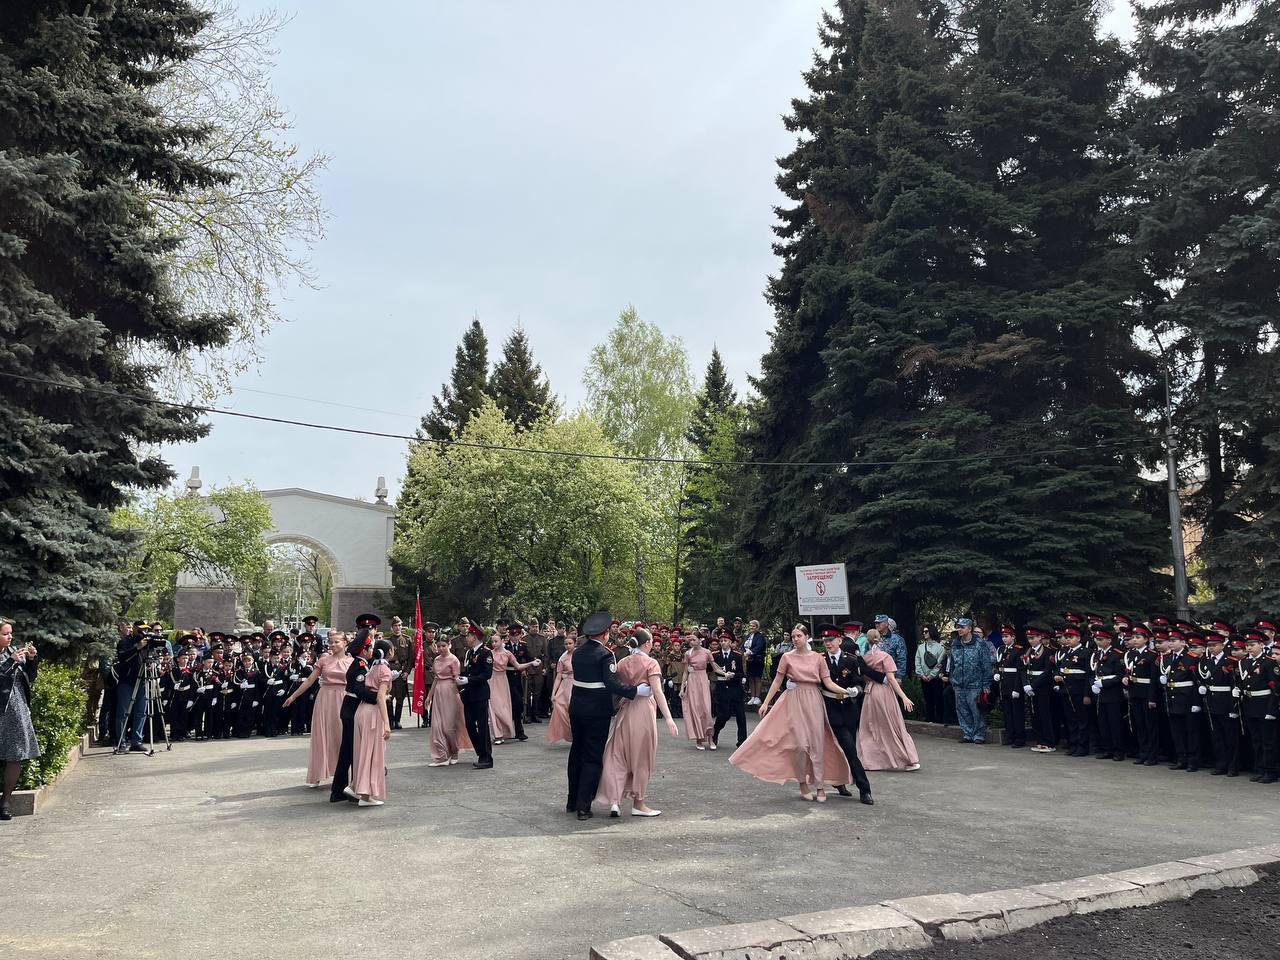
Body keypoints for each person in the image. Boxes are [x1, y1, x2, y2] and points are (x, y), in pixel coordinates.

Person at [730, 623, 854, 802]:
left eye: (799, 636)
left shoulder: (818, 659)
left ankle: (820, 786)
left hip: (813, 700)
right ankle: (802, 783)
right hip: (793, 700)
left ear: (806, 637)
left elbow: (827, 682)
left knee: (817, 744)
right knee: (799, 745)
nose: (796, 639)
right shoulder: (786, 657)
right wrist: (765, 702)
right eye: (793, 636)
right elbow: (776, 681)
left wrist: (844, 691)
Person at [566, 610, 649, 821]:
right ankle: (584, 806)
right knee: (592, 757)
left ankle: (572, 800)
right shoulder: (605, 654)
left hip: (576, 707)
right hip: (596, 711)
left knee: (576, 752)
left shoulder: (577, 652)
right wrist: (634, 691)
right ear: (604, 634)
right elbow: (611, 682)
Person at [596, 629, 679, 818]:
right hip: (643, 712)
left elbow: (615, 686)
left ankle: (615, 802)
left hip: (625, 711)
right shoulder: (651, 663)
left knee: (618, 755)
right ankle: (638, 803)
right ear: (648, 643)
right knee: (641, 757)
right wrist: (668, 718)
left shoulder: (623, 662)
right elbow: (658, 692)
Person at [819, 625, 878, 804]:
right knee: (849, 748)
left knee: (847, 747)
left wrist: (856, 690)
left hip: (850, 709)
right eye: (825, 641)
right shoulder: (820, 660)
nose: (827, 644)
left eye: (831, 640)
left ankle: (840, 783)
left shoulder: (851, 660)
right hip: (831, 708)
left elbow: (860, 682)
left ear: (839, 640)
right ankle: (864, 789)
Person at [283, 632, 350, 786]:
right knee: (322, 735)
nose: (333, 645)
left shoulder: (352, 661)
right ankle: (317, 774)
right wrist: (293, 696)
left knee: (343, 736)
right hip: (325, 698)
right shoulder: (323, 660)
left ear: (345, 642)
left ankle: (345, 775)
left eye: (336, 642)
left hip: (344, 699)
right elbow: (309, 680)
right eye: (330, 642)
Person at [330, 617, 383, 803]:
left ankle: (342, 789)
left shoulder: (362, 662)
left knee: (349, 751)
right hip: (352, 709)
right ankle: (350, 789)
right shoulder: (360, 665)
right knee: (352, 751)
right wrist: (378, 698)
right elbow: (360, 691)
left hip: (350, 708)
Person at [858, 627, 919, 770]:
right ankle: (906, 758)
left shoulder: (866, 657)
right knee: (893, 726)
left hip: (870, 693)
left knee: (871, 727)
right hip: (884, 693)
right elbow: (891, 679)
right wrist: (904, 697)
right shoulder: (885, 656)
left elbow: (866, 677)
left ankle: (871, 760)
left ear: (867, 640)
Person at [0, 620, 40, 821]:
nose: (10, 637)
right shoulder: (9, 657)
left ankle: (6, 801)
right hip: (1, 710)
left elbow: (30, 678)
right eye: (5, 634)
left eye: (11, 633)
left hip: (16, 711)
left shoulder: (14, 651)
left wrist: (31, 660)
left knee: (14, 756)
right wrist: (10, 662)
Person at [351, 639, 393, 806]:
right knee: (373, 753)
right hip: (373, 713)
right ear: (389, 652)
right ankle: (365, 795)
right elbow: (380, 697)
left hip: (361, 711)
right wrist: (387, 723)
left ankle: (360, 788)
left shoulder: (373, 667)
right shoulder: (384, 670)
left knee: (363, 752)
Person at [941, 618, 991, 745]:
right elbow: (952, 663)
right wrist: (952, 678)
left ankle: (979, 734)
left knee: (976, 710)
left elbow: (986, 665)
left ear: (970, 629)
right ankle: (967, 733)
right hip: (958, 683)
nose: (960, 630)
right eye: (958, 627)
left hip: (975, 683)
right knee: (962, 709)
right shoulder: (955, 644)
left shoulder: (980, 644)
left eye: (962, 627)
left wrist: (986, 684)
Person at [1199, 633, 1240, 776]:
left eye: (1214, 645)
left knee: (1230, 736)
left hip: (1226, 702)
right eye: (1209, 646)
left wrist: (1233, 707)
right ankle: (1220, 764)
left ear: (1222, 645)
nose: (1211, 648)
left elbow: (1234, 684)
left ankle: (1232, 766)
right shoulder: (1206, 661)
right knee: (1216, 736)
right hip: (1211, 702)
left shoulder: (1230, 661)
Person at [425, 635, 470, 766]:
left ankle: (454, 751)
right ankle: (442, 756)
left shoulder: (454, 660)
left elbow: (457, 679)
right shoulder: (437, 659)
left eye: (443, 645)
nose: (441, 648)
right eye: (438, 646)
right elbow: (436, 679)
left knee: (449, 726)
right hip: (439, 691)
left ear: (449, 645)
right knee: (437, 726)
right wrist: (429, 696)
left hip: (451, 691)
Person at [1240, 631, 1277, 783]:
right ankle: (1260, 768)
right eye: (1247, 645)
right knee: (1256, 740)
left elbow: (1275, 689)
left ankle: (1271, 771)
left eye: (1252, 645)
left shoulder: (1268, 662)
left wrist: (1272, 710)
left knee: (1268, 741)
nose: (1249, 648)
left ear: (1262, 645)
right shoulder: (1245, 662)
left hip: (1264, 704)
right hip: (1251, 705)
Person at [457, 622, 494, 769]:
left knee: (482, 726)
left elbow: (487, 674)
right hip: (469, 694)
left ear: (475, 637)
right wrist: (462, 679)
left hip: (480, 694)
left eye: (469, 635)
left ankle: (486, 757)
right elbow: (467, 670)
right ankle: (480, 752)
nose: (467, 638)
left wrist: (469, 680)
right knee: (470, 725)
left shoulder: (485, 653)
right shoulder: (470, 652)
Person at [1089, 627, 1127, 761]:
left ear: (1109, 640)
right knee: (1103, 723)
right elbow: (1092, 672)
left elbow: (1119, 675)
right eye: (1096, 639)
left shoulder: (1117, 654)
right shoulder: (1096, 654)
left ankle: (1118, 750)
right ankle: (1107, 749)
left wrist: (1104, 684)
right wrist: (1093, 684)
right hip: (1100, 693)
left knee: (1114, 723)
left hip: (1113, 693)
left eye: (1101, 639)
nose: (1098, 642)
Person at [114, 620, 153, 752]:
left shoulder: (147, 643)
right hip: (127, 682)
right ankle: (121, 742)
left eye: (146, 629)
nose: (144, 632)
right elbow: (122, 657)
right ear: (135, 629)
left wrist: (151, 665)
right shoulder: (125, 642)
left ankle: (137, 741)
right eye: (141, 629)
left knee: (141, 712)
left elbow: (151, 657)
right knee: (123, 713)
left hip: (142, 681)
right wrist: (137, 647)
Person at [1023, 627, 1058, 753]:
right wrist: (1026, 684)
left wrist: (1033, 686)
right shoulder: (1028, 652)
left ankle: (1049, 742)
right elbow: (1023, 669)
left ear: (1039, 638)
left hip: (1042, 687)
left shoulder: (1048, 652)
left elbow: (1047, 672)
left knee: (1045, 715)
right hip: (1030, 686)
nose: (1031, 641)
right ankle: (1039, 740)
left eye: (1033, 638)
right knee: (1035, 715)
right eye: (1029, 638)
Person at [710, 632, 747, 750]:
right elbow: (710, 668)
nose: (723, 643)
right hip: (722, 687)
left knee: (741, 715)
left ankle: (742, 741)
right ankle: (715, 732)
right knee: (724, 715)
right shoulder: (715, 655)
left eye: (725, 640)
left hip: (735, 688)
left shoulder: (737, 655)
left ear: (731, 642)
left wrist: (734, 675)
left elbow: (742, 673)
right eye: (721, 641)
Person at [679, 633, 714, 749]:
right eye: (690, 641)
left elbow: (714, 666)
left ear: (700, 640)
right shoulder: (688, 653)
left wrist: (724, 673)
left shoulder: (707, 652)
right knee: (696, 709)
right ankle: (699, 739)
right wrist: (682, 688)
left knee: (707, 709)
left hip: (703, 679)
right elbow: (685, 671)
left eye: (694, 640)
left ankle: (710, 738)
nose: (692, 642)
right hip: (692, 680)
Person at [995, 632, 1028, 748]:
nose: (1004, 639)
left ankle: (1019, 738)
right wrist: (997, 673)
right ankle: (1010, 736)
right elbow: (998, 664)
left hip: (1014, 684)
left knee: (1017, 712)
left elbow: (1020, 670)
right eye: (1003, 636)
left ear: (1013, 637)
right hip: (1004, 684)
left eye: (1007, 636)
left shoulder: (1018, 650)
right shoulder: (1001, 649)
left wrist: (1017, 688)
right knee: (1007, 712)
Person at [488, 633, 519, 744]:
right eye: (492, 641)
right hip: (491, 680)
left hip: (502, 680)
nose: (494, 643)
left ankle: (505, 731)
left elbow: (518, 666)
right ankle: (497, 734)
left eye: (496, 641)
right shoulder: (489, 653)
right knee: (493, 707)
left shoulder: (507, 653)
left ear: (502, 641)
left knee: (503, 707)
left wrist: (531, 663)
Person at [546, 634, 576, 745]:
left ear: (574, 643)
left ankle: (577, 734)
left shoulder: (579, 655)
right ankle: (569, 734)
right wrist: (553, 693)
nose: (568, 646)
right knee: (560, 707)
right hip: (565, 684)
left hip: (577, 684)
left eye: (570, 643)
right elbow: (558, 676)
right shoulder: (562, 658)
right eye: (566, 644)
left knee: (574, 711)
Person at [915, 625, 946, 724]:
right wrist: (921, 674)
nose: (924, 633)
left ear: (931, 632)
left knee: (937, 699)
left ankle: (939, 719)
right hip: (923, 677)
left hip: (935, 679)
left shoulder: (940, 648)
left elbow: (939, 663)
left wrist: (932, 675)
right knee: (927, 699)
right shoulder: (920, 647)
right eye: (923, 632)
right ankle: (929, 718)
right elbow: (917, 661)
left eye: (926, 631)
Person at [386, 617, 412, 730]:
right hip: (390, 669)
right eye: (395, 626)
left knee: (400, 698)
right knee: (389, 697)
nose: (398, 628)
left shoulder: (407, 640)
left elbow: (411, 659)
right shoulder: (387, 640)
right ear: (392, 627)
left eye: (400, 625)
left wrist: (406, 672)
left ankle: (398, 720)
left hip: (402, 670)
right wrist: (387, 672)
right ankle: (390, 721)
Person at [873, 615, 909, 680]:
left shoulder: (897, 639)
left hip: (892, 676)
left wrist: (899, 676)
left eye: (879, 623)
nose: (877, 625)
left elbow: (901, 658)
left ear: (886, 624)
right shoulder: (873, 638)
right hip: (876, 676)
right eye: (876, 623)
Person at [743, 620, 767, 706]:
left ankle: (757, 697)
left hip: (757, 660)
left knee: (757, 678)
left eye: (753, 626)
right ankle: (752, 696)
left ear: (757, 627)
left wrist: (751, 652)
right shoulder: (747, 636)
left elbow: (759, 647)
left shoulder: (760, 636)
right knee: (750, 678)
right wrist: (744, 653)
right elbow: (743, 645)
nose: (751, 627)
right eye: (750, 626)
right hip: (748, 660)